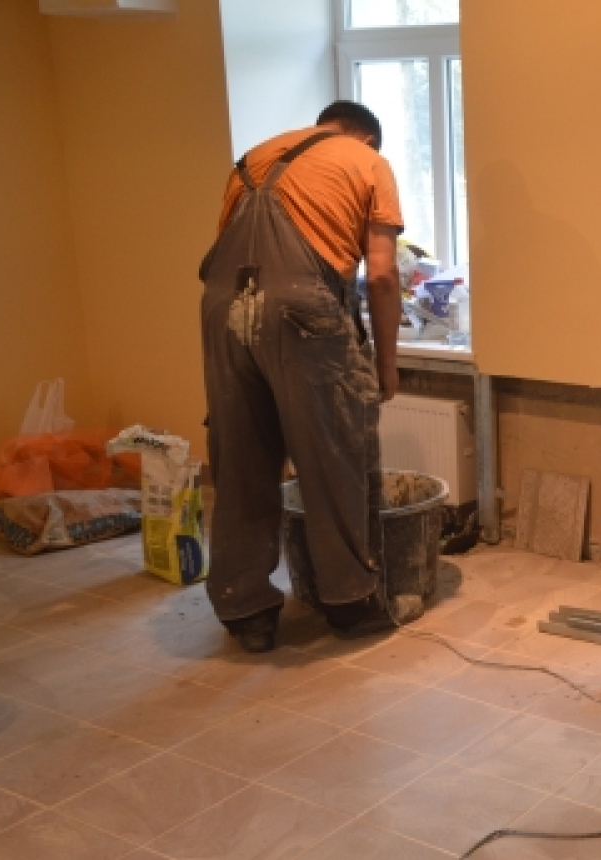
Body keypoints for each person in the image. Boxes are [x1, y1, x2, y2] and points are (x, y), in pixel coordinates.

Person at [198, 100, 411, 653]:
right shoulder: (367, 161)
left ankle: (245, 610)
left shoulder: (253, 159)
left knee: (240, 458)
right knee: (334, 452)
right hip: (302, 311)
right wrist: (386, 363)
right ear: (367, 138)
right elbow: (381, 274)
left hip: (222, 310)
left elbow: (228, 257)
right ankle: (349, 602)